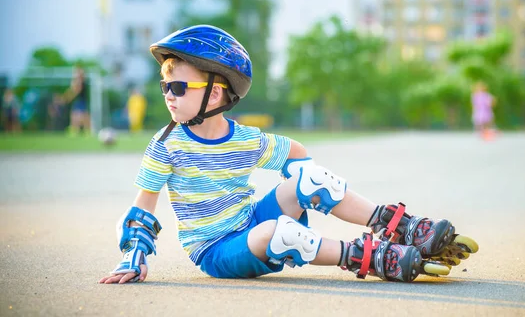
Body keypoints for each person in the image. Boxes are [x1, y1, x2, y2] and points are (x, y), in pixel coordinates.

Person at [99, 26, 478, 285]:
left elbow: (296, 153)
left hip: (249, 220)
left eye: (178, 86)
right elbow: (142, 210)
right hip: (216, 250)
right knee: (281, 233)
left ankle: (400, 226)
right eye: (165, 85)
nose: (168, 94)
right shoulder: (166, 145)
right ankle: (373, 258)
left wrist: (311, 191)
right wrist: (134, 259)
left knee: (312, 179)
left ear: (214, 94)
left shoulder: (244, 139)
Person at [64, 66, 90, 135]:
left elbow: (76, 91)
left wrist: (68, 98)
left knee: (82, 116)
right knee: (75, 115)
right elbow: (72, 89)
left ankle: (85, 130)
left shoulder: (81, 81)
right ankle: (75, 129)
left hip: (81, 100)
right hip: (78, 101)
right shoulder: (76, 81)